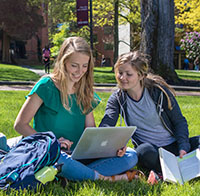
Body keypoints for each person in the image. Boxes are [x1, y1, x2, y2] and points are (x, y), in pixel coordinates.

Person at [14, 37, 139, 182]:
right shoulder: (46, 86)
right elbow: (20, 125)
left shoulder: (85, 90)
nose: (80, 71)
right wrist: (52, 144)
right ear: (63, 61)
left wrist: (112, 148)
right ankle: (103, 178)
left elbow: (90, 133)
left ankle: (71, 175)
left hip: (78, 155)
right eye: (74, 65)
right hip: (50, 153)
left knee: (130, 155)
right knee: (61, 159)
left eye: (84, 66)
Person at [99, 51, 200, 175]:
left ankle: (173, 166)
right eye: (120, 73)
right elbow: (107, 125)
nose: (122, 78)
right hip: (152, 151)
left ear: (141, 75)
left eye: (129, 74)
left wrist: (183, 147)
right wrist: (117, 145)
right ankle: (178, 168)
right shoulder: (117, 99)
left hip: (173, 146)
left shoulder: (159, 92)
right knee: (143, 152)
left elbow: (179, 121)